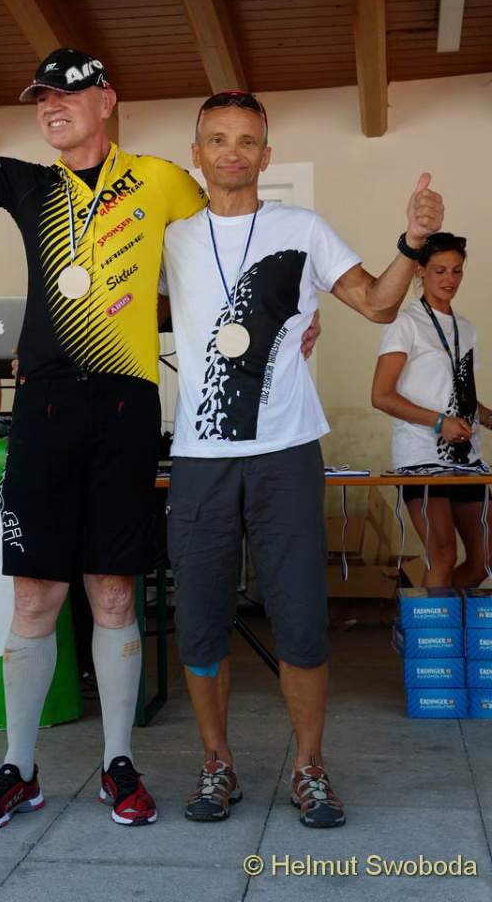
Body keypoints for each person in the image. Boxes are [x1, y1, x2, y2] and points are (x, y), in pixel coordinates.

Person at [0, 0, 319, 831]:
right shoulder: (29, 184)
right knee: (35, 595)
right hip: (47, 409)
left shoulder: (163, 181)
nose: (51, 107)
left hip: (128, 407)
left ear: (107, 100)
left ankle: (117, 765)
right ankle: (18, 768)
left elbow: (245, 240)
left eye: (67, 92)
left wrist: (293, 318)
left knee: (112, 592)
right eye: (41, 97)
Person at [160, 91, 444, 828]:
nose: (232, 152)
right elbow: (119, 313)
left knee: (302, 620)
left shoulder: (302, 228)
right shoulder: (171, 238)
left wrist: (413, 243)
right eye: (217, 139)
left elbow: (378, 304)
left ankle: (310, 768)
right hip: (199, 456)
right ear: (197, 153)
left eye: (246, 140)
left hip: (285, 452)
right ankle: (216, 763)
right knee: (199, 620)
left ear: (266, 155)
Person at [372, 232, 492, 588]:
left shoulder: (465, 328)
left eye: (456, 271)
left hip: (467, 460)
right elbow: (381, 395)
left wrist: (487, 416)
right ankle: (430, 622)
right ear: (420, 271)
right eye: (439, 270)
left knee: (485, 560)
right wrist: (439, 422)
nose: (449, 279)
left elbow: (462, 397)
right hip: (421, 457)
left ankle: (430, 611)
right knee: (442, 555)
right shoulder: (405, 323)